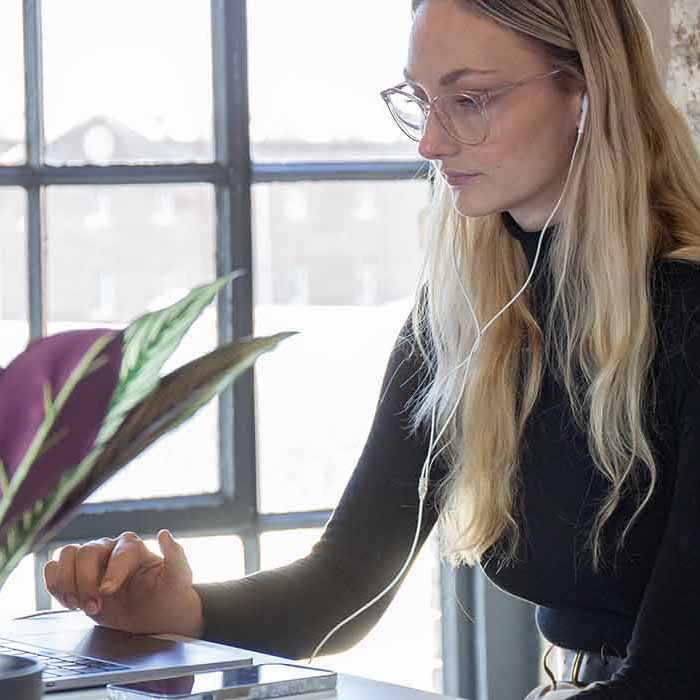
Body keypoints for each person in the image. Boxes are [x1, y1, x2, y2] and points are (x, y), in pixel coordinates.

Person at [43, 1, 700, 698]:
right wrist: (177, 610)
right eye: (421, 101)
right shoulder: (467, 312)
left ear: (586, 93)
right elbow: (346, 582)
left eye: (469, 99)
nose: (430, 143)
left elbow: (672, 676)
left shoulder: (686, 316)